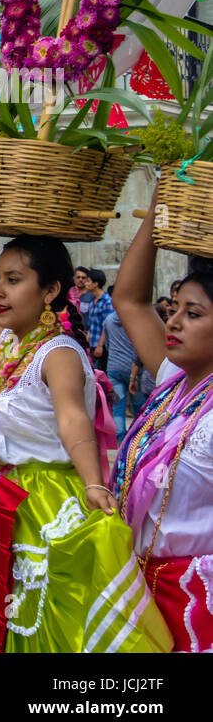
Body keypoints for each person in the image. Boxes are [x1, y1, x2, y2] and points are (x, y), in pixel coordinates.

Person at [0, 198, 171, 652]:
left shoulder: (56, 352)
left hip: (46, 506)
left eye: (13, 280)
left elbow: (72, 418)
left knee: (45, 629)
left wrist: (94, 483)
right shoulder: (7, 340)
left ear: (50, 290)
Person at [111, 198, 213, 651]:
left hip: (199, 598)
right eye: (173, 308)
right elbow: (129, 299)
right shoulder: (174, 384)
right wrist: (160, 209)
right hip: (143, 586)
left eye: (193, 314)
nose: (172, 321)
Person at [102, 308, 143, 441]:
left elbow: (107, 345)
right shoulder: (134, 320)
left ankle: (120, 439)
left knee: (118, 406)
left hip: (113, 367)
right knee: (139, 406)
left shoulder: (108, 320)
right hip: (133, 369)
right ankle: (138, 438)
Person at [82, 268, 115, 369]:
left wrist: (100, 345)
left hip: (103, 346)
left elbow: (107, 325)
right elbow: (92, 322)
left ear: (96, 284)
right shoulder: (93, 301)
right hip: (93, 344)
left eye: (88, 281)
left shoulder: (107, 301)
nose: (85, 283)